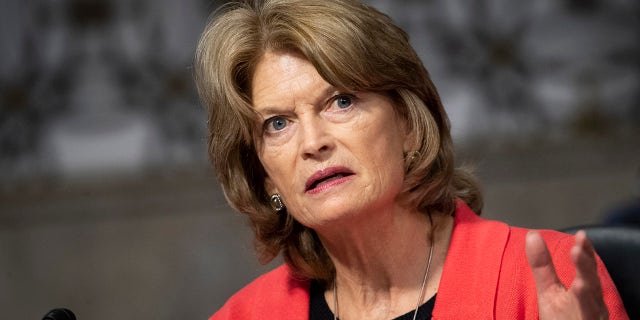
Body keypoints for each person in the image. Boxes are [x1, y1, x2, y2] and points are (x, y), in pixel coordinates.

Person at [194, 0, 628, 319]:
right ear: (266, 178)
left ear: (408, 123)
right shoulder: (243, 315)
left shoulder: (548, 281)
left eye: (341, 101)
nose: (312, 142)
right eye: (277, 124)